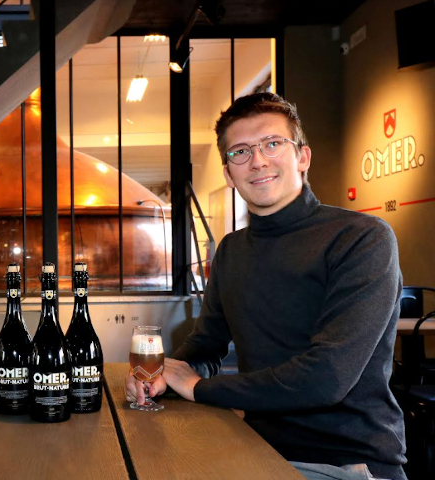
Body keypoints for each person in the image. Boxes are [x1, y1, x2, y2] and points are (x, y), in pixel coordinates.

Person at [126, 93, 407, 480]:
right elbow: (207, 345)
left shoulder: (361, 238)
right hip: (255, 447)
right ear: (228, 173)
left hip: (346, 462)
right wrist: (164, 374)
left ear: (302, 157)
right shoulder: (231, 250)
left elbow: (327, 378)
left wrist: (200, 388)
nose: (258, 161)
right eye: (240, 152)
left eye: (273, 144)